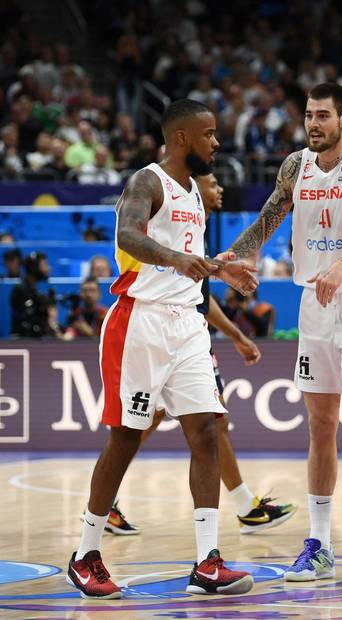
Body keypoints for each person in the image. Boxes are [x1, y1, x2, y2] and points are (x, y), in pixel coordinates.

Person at [67, 99, 257, 600]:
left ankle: (208, 561)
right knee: (126, 437)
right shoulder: (146, 181)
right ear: (181, 139)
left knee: (207, 432)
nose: (216, 143)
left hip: (187, 325)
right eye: (209, 134)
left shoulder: (196, 191)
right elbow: (129, 233)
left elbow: (185, 262)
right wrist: (177, 258)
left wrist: (217, 268)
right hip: (139, 322)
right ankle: (85, 554)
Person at [228, 83, 342, 582]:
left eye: (323, 116)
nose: (313, 124)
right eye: (308, 115)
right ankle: (320, 544)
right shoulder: (295, 166)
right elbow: (268, 218)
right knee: (320, 425)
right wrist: (238, 255)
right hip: (314, 302)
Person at [88, 172, 297, 538]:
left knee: (210, 423)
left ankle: (242, 509)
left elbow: (200, 291)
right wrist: (237, 335)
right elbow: (198, 289)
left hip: (188, 334)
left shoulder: (195, 221)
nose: (218, 190)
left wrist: (232, 332)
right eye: (212, 183)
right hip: (157, 328)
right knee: (139, 429)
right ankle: (108, 508)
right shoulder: (165, 205)